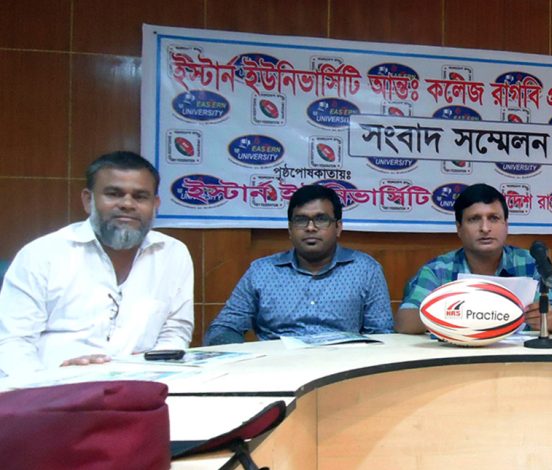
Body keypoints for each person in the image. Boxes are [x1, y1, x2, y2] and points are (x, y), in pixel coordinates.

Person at [0, 151, 194, 376]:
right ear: (88, 200)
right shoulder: (42, 255)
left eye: (140, 196)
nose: (127, 204)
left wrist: (154, 372)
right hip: (49, 393)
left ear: (155, 204)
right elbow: (11, 341)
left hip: (139, 391)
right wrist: (46, 384)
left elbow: (175, 331)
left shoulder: (172, 254)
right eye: (114, 194)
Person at [205, 185, 392, 345]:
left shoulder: (365, 269)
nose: (310, 227)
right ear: (290, 229)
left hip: (341, 372)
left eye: (321, 219)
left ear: (338, 227)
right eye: (301, 220)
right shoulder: (262, 271)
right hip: (277, 370)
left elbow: (382, 334)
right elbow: (224, 327)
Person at [397, 183, 552, 334]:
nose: (485, 228)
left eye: (494, 218)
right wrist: (451, 313)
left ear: (506, 225)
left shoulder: (529, 263)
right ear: (459, 228)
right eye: (474, 219)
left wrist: (550, 320)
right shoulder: (439, 269)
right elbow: (405, 321)